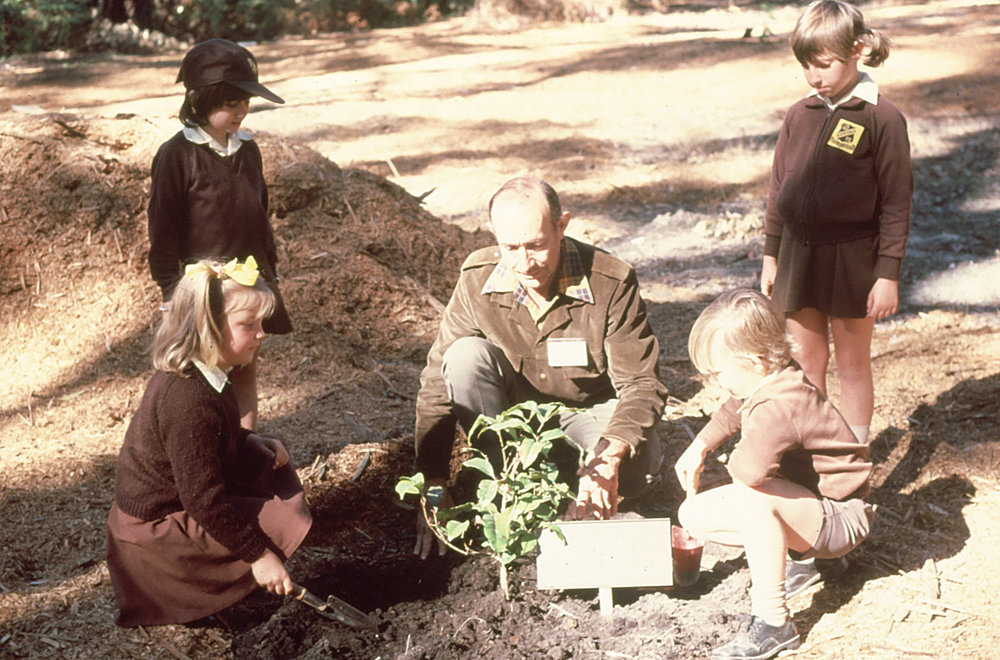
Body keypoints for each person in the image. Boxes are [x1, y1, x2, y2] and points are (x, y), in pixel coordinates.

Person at [411, 176, 669, 559]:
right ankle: (508, 475)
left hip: (591, 414)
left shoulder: (610, 282)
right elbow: (437, 382)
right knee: (464, 356)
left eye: (535, 246)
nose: (524, 263)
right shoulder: (477, 279)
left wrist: (607, 457)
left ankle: (581, 474)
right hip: (517, 421)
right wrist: (432, 483)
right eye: (510, 247)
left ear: (562, 226)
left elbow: (641, 385)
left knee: (636, 469)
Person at [106, 257, 312, 627]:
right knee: (283, 517)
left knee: (268, 462)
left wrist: (249, 440)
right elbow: (203, 499)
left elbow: (211, 443)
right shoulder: (186, 400)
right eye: (249, 325)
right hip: (155, 533)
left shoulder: (209, 375)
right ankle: (201, 592)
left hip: (184, 500)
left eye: (261, 324)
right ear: (210, 327)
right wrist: (259, 556)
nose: (262, 334)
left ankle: (230, 578)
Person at [674, 289, 873, 660]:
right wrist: (700, 444)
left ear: (755, 360)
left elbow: (748, 472)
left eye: (718, 373)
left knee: (751, 496)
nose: (716, 382)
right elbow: (737, 405)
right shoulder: (778, 376)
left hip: (843, 519)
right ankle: (813, 560)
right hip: (830, 508)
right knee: (695, 514)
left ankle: (773, 622)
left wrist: (731, 455)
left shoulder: (778, 406)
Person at [760, 0, 912, 449]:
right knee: (806, 357)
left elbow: (896, 203)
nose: (814, 76)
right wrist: (771, 253)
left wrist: (888, 274)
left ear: (858, 50)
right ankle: (819, 454)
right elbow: (777, 188)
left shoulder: (882, 118)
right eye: (806, 66)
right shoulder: (798, 114)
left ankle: (855, 458)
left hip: (853, 258)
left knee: (851, 362)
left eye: (823, 64)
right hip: (797, 253)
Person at [147, 38, 292, 432]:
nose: (241, 112)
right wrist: (169, 292)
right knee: (200, 374)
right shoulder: (177, 156)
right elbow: (163, 231)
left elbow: (258, 215)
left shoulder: (249, 152)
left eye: (246, 103)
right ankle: (204, 445)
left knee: (244, 364)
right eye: (231, 103)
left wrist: (269, 275)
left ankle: (247, 444)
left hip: (247, 280)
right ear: (200, 101)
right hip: (202, 289)